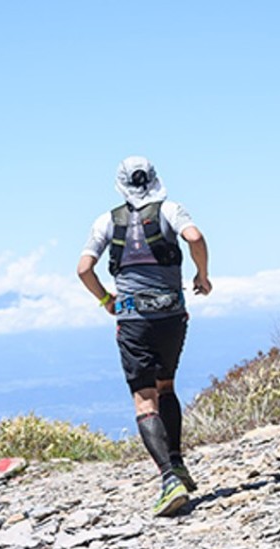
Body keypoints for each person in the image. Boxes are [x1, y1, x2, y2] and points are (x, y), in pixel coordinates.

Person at [76, 156, 212, 517]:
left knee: (144, 399)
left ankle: (169, 480)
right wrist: (203, 274)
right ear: (153, 179)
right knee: (166, 386)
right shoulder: (172, 210)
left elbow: (83, 268)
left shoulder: (107, 221)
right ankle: (179, 462)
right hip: (172, 315)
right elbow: (195, 237)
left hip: (133, 318)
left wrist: (106, 299)